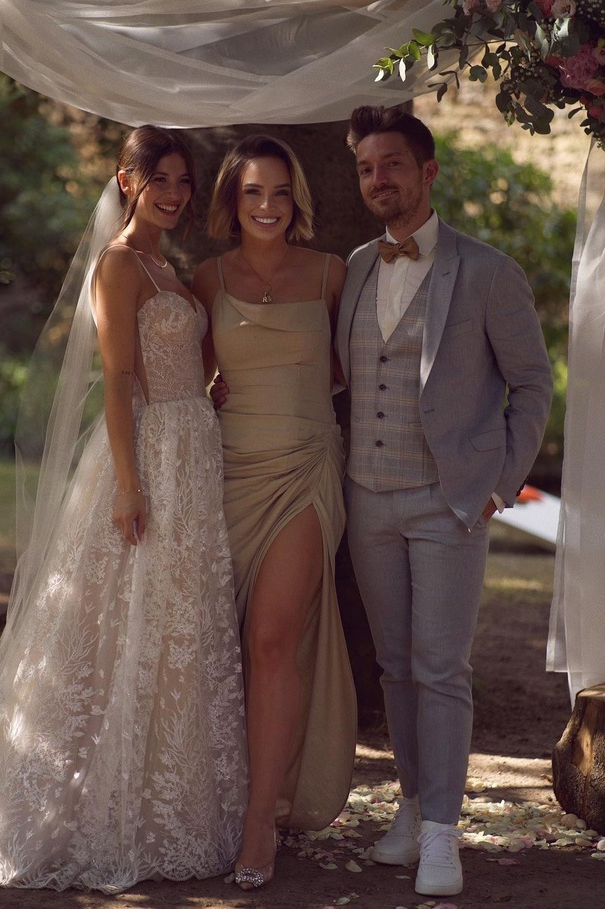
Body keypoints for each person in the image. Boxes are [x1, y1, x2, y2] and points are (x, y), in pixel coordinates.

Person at [0, 126, 248, 893]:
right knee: (122, 620)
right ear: (127, 180)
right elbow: (117, 379)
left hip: (191, 450)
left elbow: (183, 357)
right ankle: (94, 810)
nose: (173, 193)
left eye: (182, 181)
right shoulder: (119, 264)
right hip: (146, 453)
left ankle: (165, 803)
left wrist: (208, 389)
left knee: (176, 618)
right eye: (159, 179)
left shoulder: (168, 266)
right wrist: (130, 483)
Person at [336, 105, 553, 898]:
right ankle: (410, 804)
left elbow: (533, 383)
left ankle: (441, 834)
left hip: (448, 500)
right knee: (394, 666)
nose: (378, 180)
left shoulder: (487, 271)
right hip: (367, 497)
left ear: (428, 172)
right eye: (367, 168)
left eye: (392, 164)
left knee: (441, 668)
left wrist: (499, 483)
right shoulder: (355, 266)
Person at [194, 134, 357, 891]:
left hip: (304, 471)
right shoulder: (206, 278)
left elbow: (355, 367)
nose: (268, 205)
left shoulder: (332, 274)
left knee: (271, 639)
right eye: (253, 191)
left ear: (298, 199)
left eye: (281, 191)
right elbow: (189, 380)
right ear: (232, 200)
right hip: (229, 473)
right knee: (219, 646)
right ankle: (217, 803)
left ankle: (263, 820)